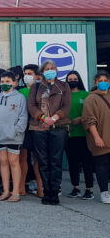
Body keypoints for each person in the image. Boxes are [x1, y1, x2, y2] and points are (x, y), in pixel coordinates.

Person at [28, 60, 71, 205]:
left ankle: (55, 192)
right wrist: (43, 117)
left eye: (52, 68)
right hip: (39, 127)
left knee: (56, 160)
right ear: (42, 72)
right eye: (47, 69)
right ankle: (46, 192)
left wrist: (53, 118)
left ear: (57, 71)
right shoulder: (36, 86)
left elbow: (66, 106)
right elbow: (31, 105)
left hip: (58, 127)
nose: (50, 70)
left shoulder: (64, 86)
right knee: (43, 161)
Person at [0, 71, 28, 202]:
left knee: (14, 162)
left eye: (8, 81)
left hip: (14, 137)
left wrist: (16, 130)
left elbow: (23, 117)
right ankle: (5, 191)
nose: (5, 84)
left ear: (14, 83)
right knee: (3, 163)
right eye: (2, 82)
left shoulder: (20, 98)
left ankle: (15, 192)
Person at [65, 70, 94, 199]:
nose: (72, 80)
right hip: (69, 134)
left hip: (84, 134)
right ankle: (75, 187)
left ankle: (89, 189)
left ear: (79, 80)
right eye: (69, 79)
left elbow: (92, 113)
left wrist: (81, 119)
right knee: (73, 162)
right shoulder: (64, 96)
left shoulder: (86, 95)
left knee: (87, 162)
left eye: (74, 78)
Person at [82, 71, 110, 204]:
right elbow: (89, 120)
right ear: (96, 83)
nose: (103, 83)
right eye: (100, 81)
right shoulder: (91, 99)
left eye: (105, 80)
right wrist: (97, 137)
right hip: (100, 140)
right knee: (102, 166)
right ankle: (104, 192)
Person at [18, 64, 43, 197]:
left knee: (38, 158)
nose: (27, 76)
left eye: (30, 73)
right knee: (22, 157)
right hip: (23, 128)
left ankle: (41, 188)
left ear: (37, 76)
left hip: (38, 127)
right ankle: (21, 186)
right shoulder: (19, 90)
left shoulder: (42, 89)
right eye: (25, 73)